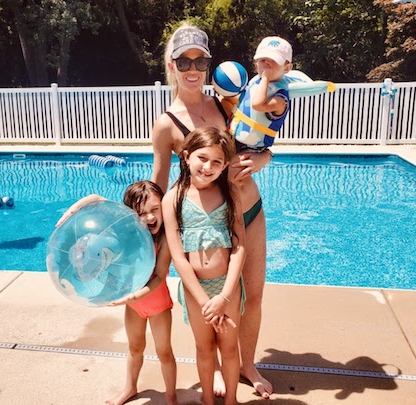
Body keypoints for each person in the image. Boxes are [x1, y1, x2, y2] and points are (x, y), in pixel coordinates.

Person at [151, 22, 274, 399]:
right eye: (184, 61)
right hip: (211, 222)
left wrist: (264, 158)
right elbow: (159, 184)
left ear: (208, 65)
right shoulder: (166, 124)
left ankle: (247, 364)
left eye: (200, 61)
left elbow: (260, 140)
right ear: (171, 65)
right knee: (216, 294)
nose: (193, 69)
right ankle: (222, 367)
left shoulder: (225, 102)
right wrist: (150, 239)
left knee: (252, 295)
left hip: (249, 210)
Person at [56, 182, 177, 405]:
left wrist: (134, 296)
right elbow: (95, 198)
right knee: (134, 348)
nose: (149, 217)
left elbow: (159, 276)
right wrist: (71, 212)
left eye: (154, 210)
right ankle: (129, 388)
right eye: (141, 213)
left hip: (156, 303)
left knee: (164, 352)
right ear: (130, 215)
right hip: (134, 305)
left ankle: (171, 397)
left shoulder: (165, 239)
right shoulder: (127, 234)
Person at [162, 126, 246, 405]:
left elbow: (239, 247)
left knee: (229, 348)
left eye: (217, 162)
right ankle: (209, 401)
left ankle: (231, 400)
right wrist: (204, 301)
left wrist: (223, 297)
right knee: (205, 349)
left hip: (227, 288)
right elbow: (178, 256)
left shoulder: (230, 193)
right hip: (196, 292)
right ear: (186, 157)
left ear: (224, 167)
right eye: (202, 158)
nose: (208, 166)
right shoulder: (173, 199)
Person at [228, 36, 292, 153]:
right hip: (233, 138)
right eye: (263, 60)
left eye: (274, 60)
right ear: (256, 65)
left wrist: (265, 79)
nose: (267, 62)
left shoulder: (281, 99)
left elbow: (257, 105)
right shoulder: (255, 83)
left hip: (250, 149)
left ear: (287, 68)